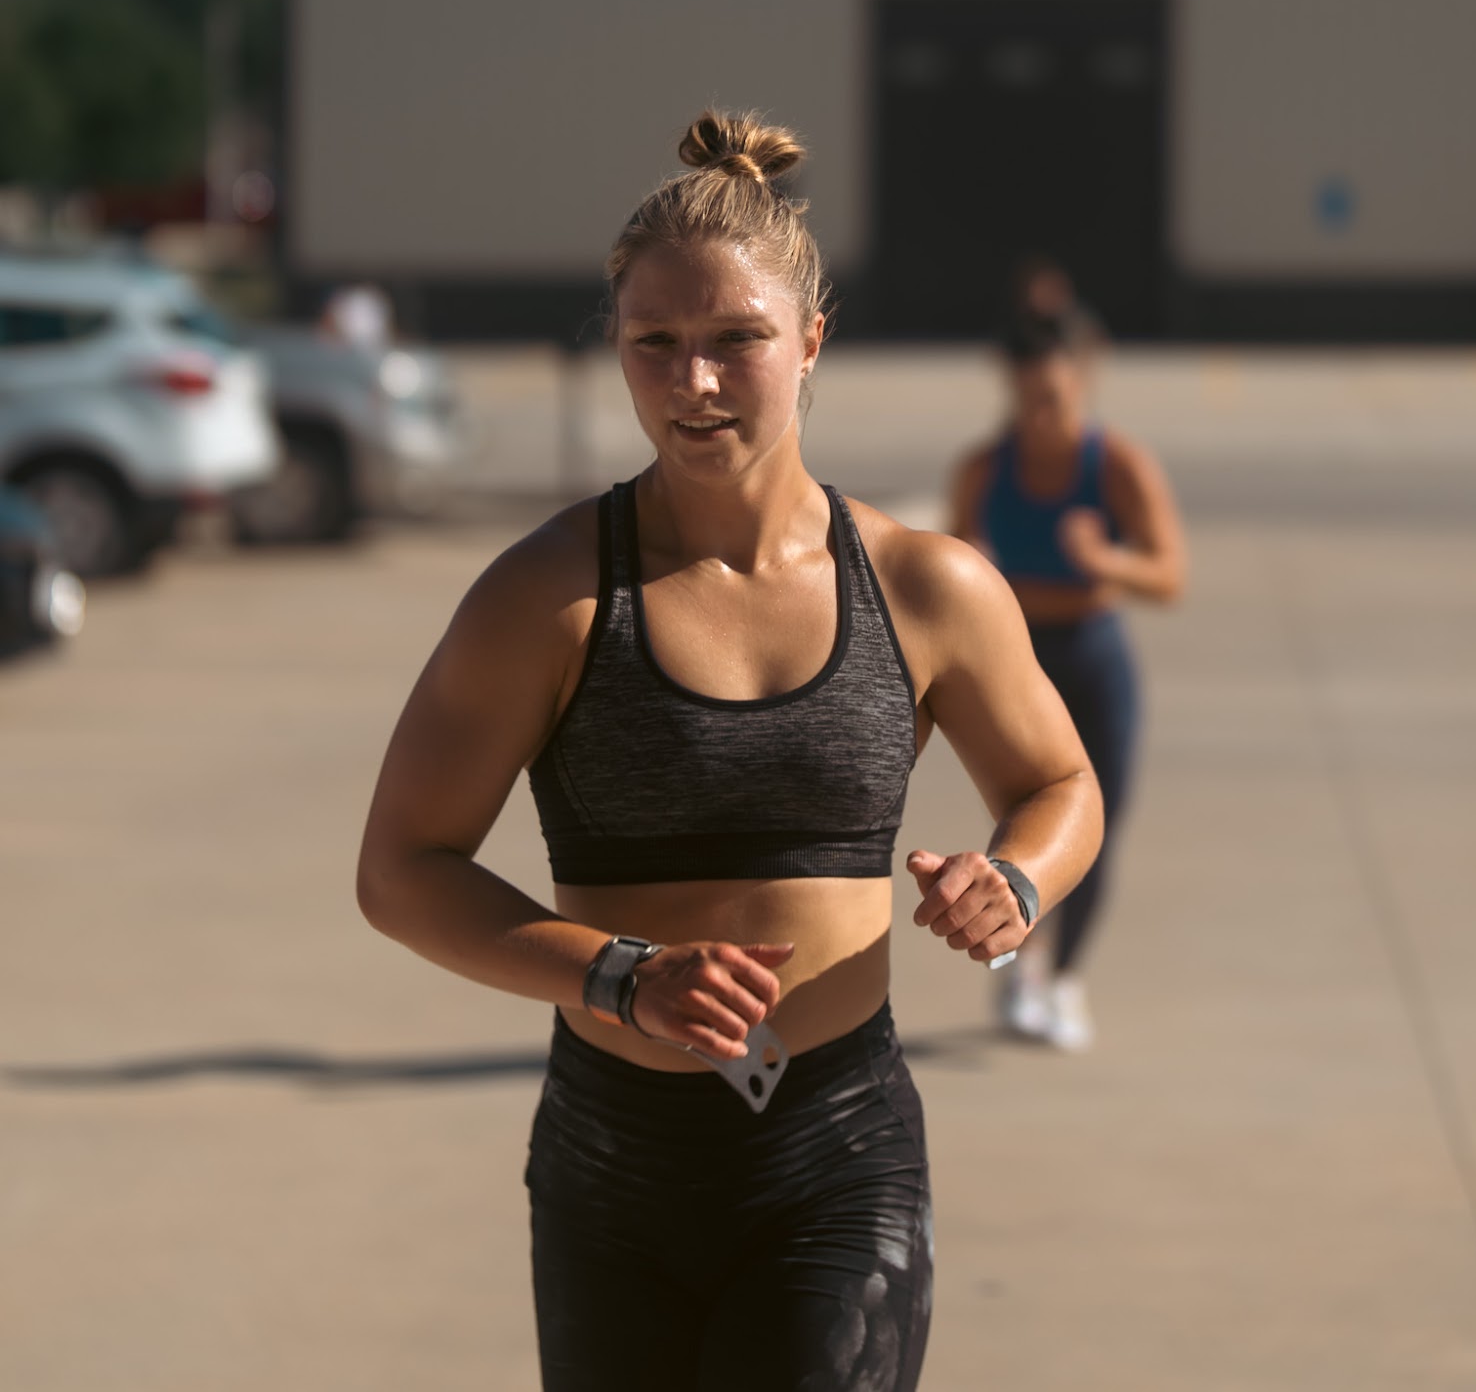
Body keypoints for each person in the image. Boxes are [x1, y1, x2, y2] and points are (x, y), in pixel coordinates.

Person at [356, 111, 1102, 1392]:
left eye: (735, 340)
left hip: (839, 1157)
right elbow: (401, 868)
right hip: (612, 1171)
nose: (692, 383)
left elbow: (1058, 783)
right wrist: (619, 976)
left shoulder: (924, 586)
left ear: (809, 340)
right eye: (654, 343)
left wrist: (1016, 879)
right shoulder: (546, 598)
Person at [946, 302, 1185, 1051]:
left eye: (1052, 398)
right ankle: (1021, 966)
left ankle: (1066, 976)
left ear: (1080, 383)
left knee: (1097, 825)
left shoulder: (1115, 464)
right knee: (1022, 822)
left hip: (1093, 655)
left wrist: (1106, 560)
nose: (1039, 415)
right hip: (1018, 658)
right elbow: (946, 572)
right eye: (1026, 399)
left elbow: (1169, 575)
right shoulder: (985, 468)